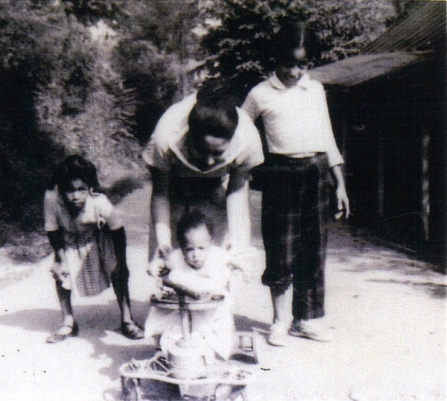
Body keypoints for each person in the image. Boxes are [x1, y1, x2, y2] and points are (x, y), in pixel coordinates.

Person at [241, 21, 350, 346]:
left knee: (314, 250)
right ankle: (280, 320)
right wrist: (244, 170)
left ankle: (307, 320)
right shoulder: (260, 94)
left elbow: (327, 136)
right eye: (289, 63)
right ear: (276, 59)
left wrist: (339, 182)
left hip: (316, 173)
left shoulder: (314, 89)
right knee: (281, 249)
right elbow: (241, 133)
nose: (294, 71)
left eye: (302, 65)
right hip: (280, 175)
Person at [143, 81, 265, 265]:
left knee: (217, 262)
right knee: (171, 266)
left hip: (216, 189)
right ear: (190, 138)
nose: (209, 161)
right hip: (175, 189)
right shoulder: (166, 136)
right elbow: (160, 194)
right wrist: (164, 243)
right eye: (201, 151)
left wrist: (238, 245)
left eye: (217, 153)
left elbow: (237, 191)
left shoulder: (248, 140)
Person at [43, 155, 144, 343]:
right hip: (69, 239)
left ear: (90, 188)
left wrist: (122, 262)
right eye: (69, 191)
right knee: (61, 274)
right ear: (60, 189)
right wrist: (59, 258)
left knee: (118, 272)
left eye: (81, 190)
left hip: (97, 238)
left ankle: (128, 320)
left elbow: (117, 230)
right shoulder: (51, 198)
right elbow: (52, 229)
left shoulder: (99, 201)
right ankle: (68, 321)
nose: (75, 196)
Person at [144, 210, 237, 361]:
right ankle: (171, 350)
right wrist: (154, 265)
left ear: (211, 244)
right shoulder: (176, 258)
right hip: (184, 303)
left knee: (216, 327)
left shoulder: (216, 255)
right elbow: (163, 264)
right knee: (171, 324)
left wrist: (243, 267)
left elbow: (231, 261)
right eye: (189, 249)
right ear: (181, 248)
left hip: (209, 303)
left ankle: (210, 353)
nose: (195, 255)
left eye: (202, 248)